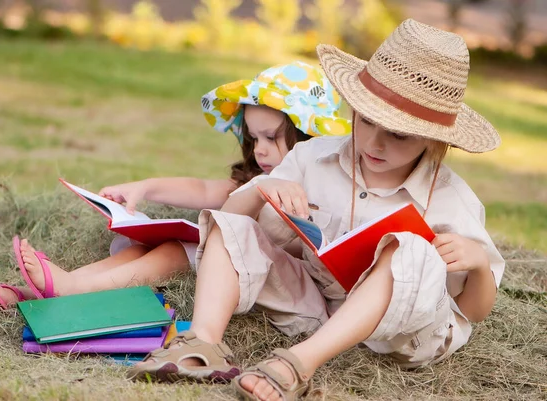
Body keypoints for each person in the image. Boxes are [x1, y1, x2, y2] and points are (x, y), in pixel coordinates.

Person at [126, 19, 505, 401]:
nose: (374, 142)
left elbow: (472, 311)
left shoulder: (453, 199)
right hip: (314, 302)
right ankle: (203, 343)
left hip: (403, 335)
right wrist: (263, 188)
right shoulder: (315, 156)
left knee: (409, 248)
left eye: (399, 134)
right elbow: (230, 216)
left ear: (435, 141)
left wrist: (476, 264)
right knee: (234, 222)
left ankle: (295, 365)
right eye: (366, 119)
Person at [0, 61, 351, 310]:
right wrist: (144, 187)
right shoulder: (258, 179)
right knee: (165, 245)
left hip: (275, 285)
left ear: (307, 136)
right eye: (253, 139)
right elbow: (201, 190)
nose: (261, 150)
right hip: (232, 265)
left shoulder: (315, 189)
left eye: (272, 137)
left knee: (182, 251)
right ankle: (56, 289)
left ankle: (65, 291)